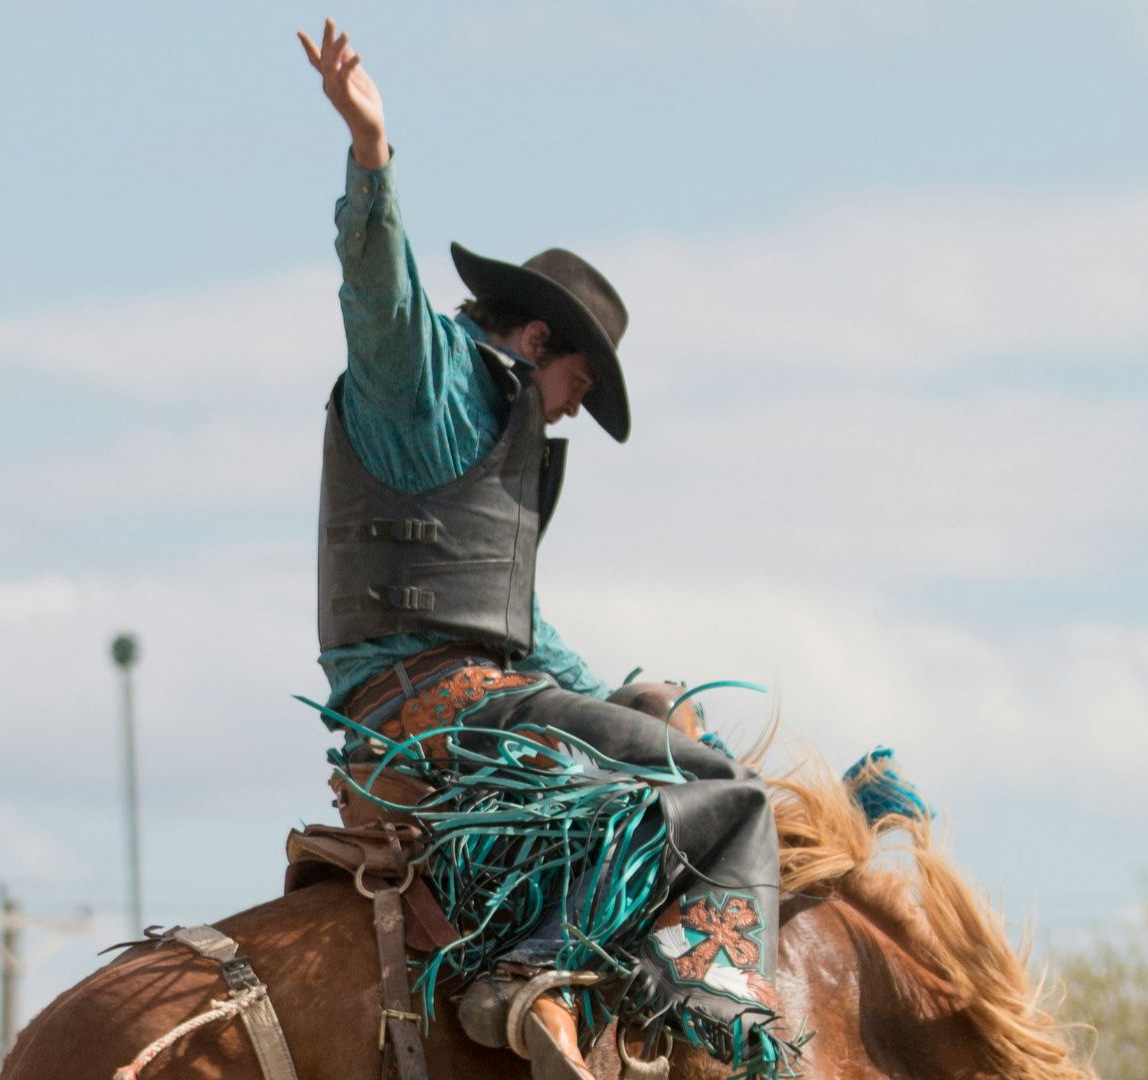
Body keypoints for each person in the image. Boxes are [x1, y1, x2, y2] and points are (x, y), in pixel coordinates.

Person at [298, 20, 792, 1080]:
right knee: (731, 795)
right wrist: (371, 157)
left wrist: (620, 690)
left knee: (652, 752)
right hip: (445, 714)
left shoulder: (488, 439)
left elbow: (509, 635)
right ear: (537, 341)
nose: (570, 415)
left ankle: (544, 972)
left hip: (450, 705)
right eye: (578, 387)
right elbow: (378, 298)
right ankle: (557, 977)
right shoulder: (425, 387)